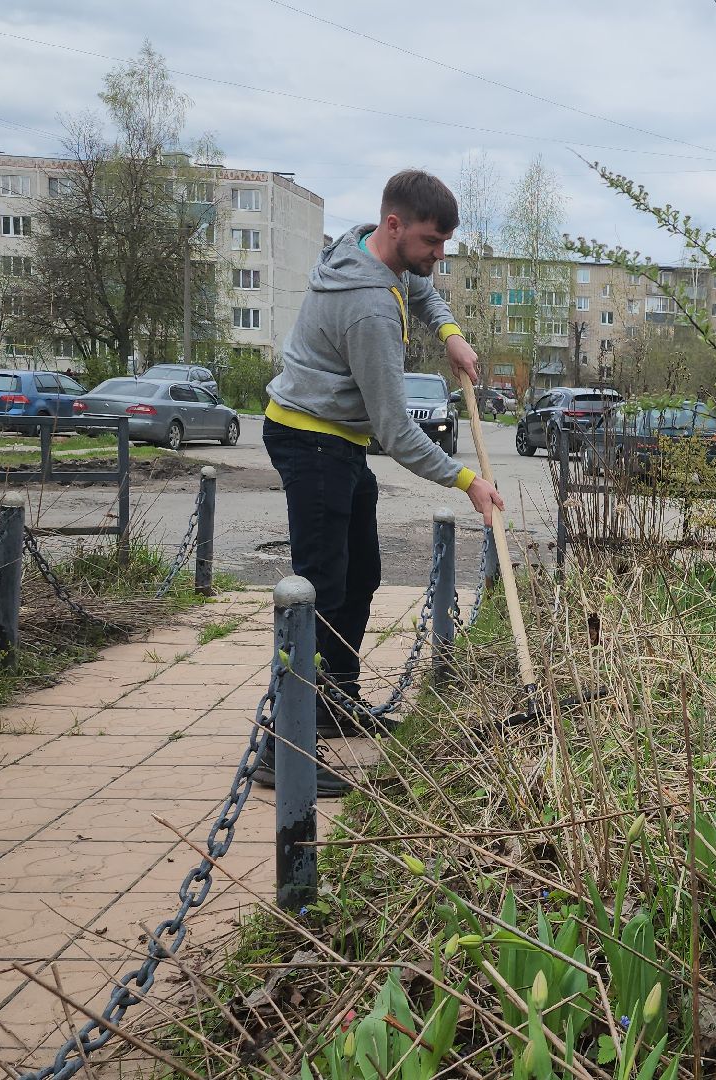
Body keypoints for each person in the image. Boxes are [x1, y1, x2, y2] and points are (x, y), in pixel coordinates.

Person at [257, 170, 504, 792]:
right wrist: (466, 480)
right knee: (318, 591)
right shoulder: (367, 307)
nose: (438, 255)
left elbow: (422, 288)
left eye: (444, 243)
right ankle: (284, 745)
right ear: (395, 226)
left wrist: (450, 333)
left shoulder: (368, 247)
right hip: (311, 441)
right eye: (431, 241)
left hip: (337, 439)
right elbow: (396, 431)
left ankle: (334, 703)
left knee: (361, 573)